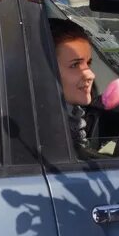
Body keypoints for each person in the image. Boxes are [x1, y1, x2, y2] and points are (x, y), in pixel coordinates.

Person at [49, 18, 97, 152]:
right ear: (44, 69)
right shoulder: (49, 134)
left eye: (88, 63)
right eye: (75, 65)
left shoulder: (69, 116)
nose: (91, 75)